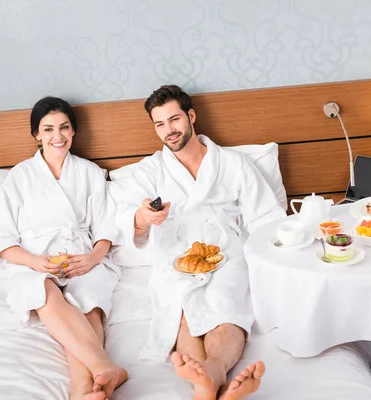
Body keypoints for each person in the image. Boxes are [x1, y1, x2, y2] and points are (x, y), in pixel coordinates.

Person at [116, 85, 286, 399]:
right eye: (160, 124)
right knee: (178, 307)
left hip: (225, 250)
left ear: (191, 116)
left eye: (174, 119)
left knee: (225, 303)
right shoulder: (151, 170)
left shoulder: (233, 164)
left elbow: (265, 219)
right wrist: (144, 218)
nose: (169, 130)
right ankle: (212, 382)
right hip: (175, 255)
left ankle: (210, 375)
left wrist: (275, 261)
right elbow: (127, 216)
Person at [0, 97, 127, 400]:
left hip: (81, 256)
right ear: (36, 134)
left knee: (89, 303)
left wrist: (93, 259)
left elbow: (106, 227)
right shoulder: (20, 177)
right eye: (48, 129)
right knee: (43, 291)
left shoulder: (90, 172)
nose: (57, 136)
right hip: (35, 261)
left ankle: (82, 391)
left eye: (64, 127)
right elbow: (1, 240)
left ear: (74, 131)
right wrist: (35, 262)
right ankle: (105, 367)